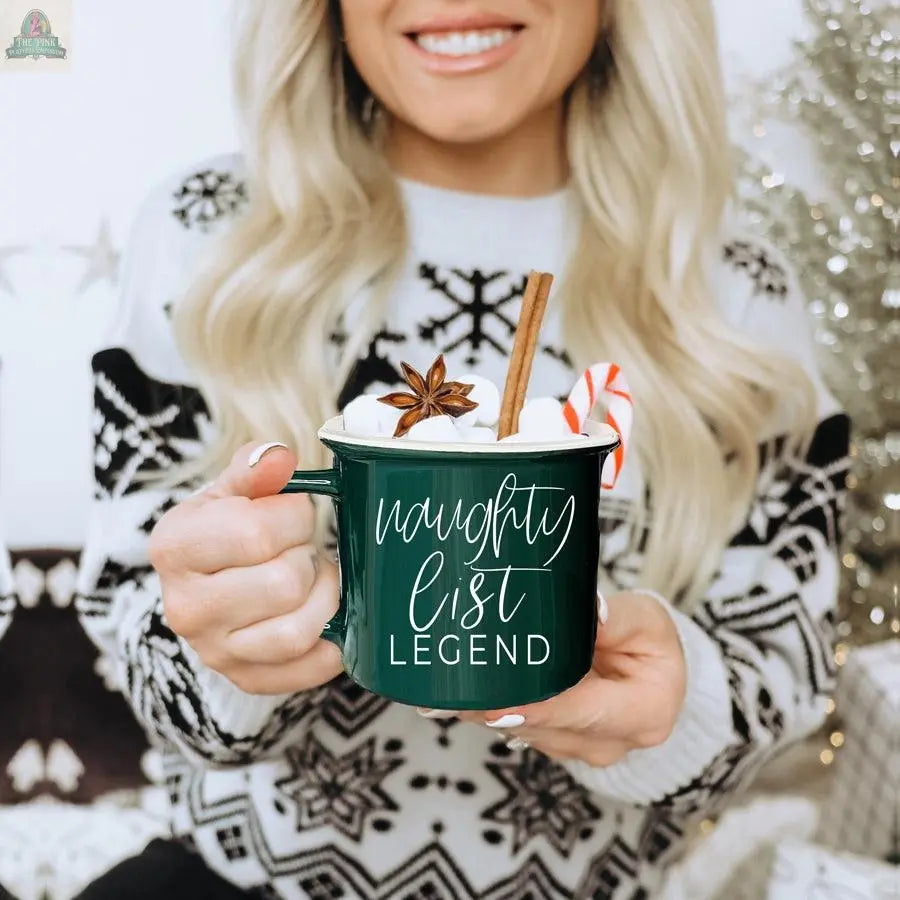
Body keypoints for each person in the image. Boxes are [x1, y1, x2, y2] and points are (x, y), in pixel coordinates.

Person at [74, 1, 850, 897]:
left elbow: (784, 670)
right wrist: (230, 651)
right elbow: (138, 631)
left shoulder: (734, 293)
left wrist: (667, 714)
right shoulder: (209, 235)